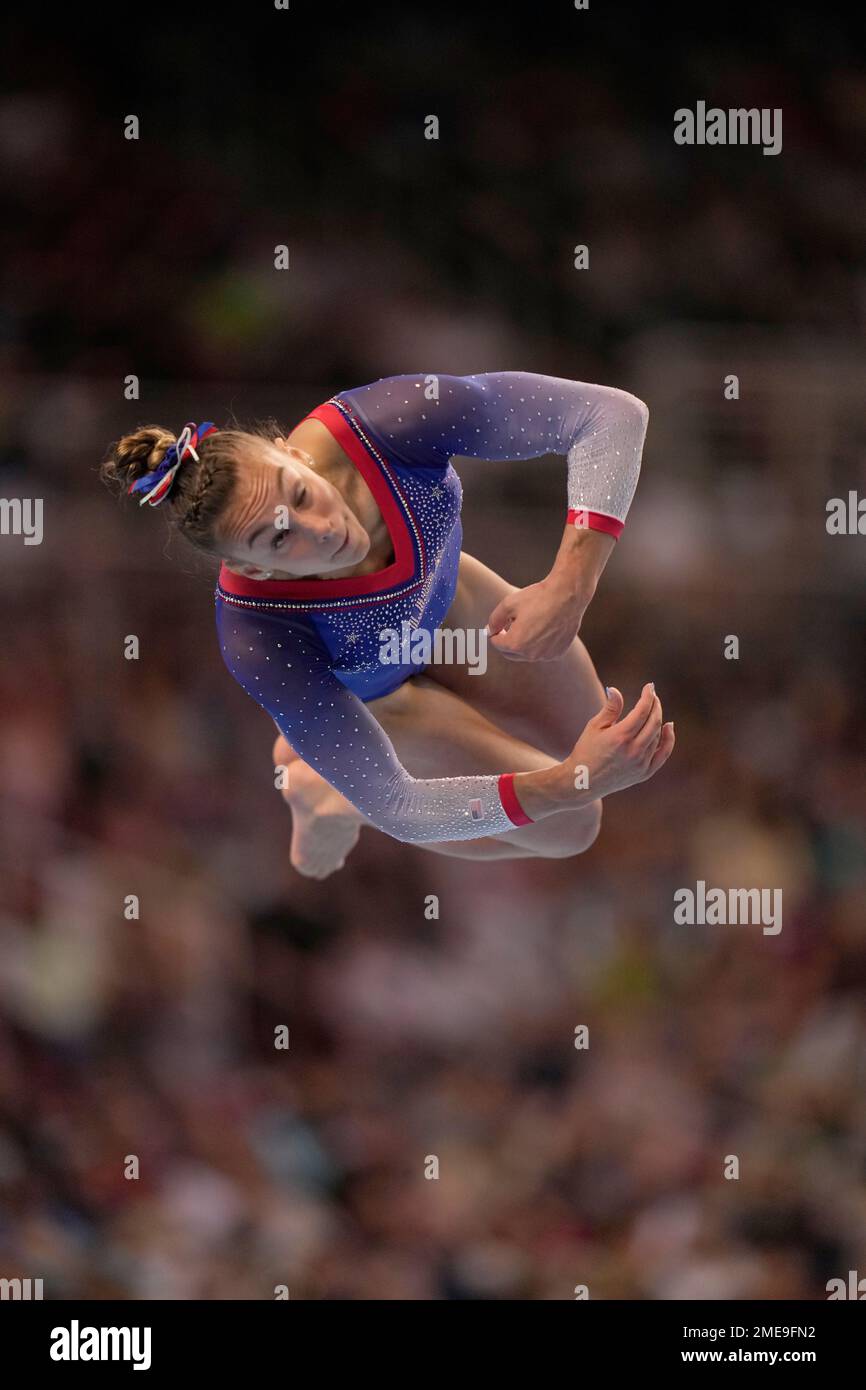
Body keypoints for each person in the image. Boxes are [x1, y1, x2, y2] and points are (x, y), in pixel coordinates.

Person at [103, 372, 674, 878]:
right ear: (251, 566)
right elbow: (401, 806)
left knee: (587, 727)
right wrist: (574, 780)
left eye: (300, 495)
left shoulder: (387, 424)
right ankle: (327, 795)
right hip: (387, 703)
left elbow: (612, 414)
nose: (321, 529)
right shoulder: (259, 634)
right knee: (574, 823)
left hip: (462, 610)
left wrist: (569, 585)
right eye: (280, 538)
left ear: (294, 455)